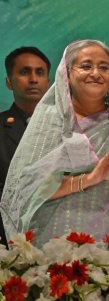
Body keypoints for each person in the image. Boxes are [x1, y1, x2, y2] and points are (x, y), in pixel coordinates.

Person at [0, 40, 109, 247]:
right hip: (51, 246)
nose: (96, 73)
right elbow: (25, 190)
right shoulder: (48, 124)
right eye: (86, 66)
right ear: (67, 74)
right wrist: (87, 180)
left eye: (104, 67)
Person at [0, 47, 51, 246]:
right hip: (7, 241)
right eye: (24, 72)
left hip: (57, 239)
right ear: (9, 82)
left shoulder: (67, 129)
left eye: (40, 72)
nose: (33, 79)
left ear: (48, 81)